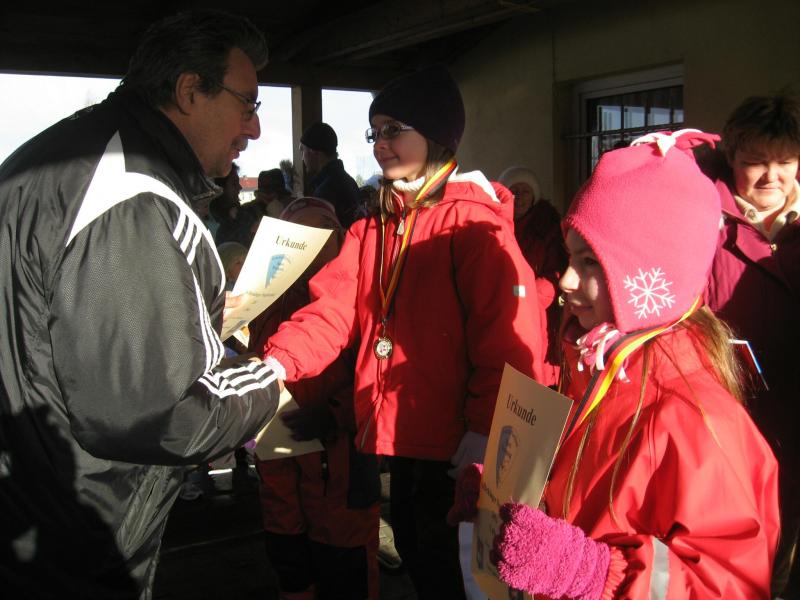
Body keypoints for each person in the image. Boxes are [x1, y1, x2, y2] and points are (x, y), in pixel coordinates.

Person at [0, 10, 282, 598]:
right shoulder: (130, 193)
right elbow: (163, 414)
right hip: (73, 539)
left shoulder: (59, 156)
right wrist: (274, 375)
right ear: (189, 90)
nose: (254, 129)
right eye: (248, 104)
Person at [452, 130, 780, 598]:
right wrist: (504, 497)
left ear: (650, 276)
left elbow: (731, 585)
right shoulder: (593, 368)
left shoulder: (695, 420)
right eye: (570, 256)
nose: (566, 279)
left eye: (591, 262)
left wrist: (592, 573)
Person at [262, 65, 544, 599]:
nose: (379, 144)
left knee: (455, 573)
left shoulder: (474, 225)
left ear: (436, 134)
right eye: (374, 132)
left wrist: (485, 427)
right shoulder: (372, 227)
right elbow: (331, 311)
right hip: (403, 436)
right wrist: (275, 363)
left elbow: (509, 342)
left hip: (458, 446)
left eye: (394, 129)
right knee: (418, 553)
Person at [249, 197, 381, 600]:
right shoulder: (264, 299)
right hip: (280, 462)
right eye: (301, 234)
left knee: (346, 572)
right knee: (290, 563)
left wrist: (334, 414)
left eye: (323, 233)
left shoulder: (357, 296)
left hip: (342, 465)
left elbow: (379, 377)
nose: (314, 244)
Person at [703, 94, 800, 596]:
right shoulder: (705, 220)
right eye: (755, 162)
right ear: (731, 157)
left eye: (784, 162)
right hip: (731, 420)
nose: (771, 177)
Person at [498, 165, 566, 386]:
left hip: (538, 313)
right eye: (514, 191)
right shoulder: (495, 225)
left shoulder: (547, 228)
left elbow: (555, 272)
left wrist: (528, 298)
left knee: (537, 376)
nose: (519, 197)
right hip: (503, 310)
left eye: (525, 191)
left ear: (534, 195)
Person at [299, 121, 361, 228]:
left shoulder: (325, 191)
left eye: (302, 150)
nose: (302, 158)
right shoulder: (349, 181)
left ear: (314, 151)